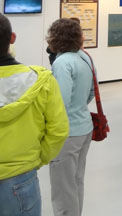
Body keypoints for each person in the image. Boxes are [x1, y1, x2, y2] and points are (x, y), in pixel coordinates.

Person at [0, 14, 69, 216]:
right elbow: (58, 130)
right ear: (12, 38)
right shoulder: (42, 80)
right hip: (20, 177)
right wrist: (36, 160)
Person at [47, 18, 95, 216]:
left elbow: (60, 102)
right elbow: (92, 92)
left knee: (63, 189)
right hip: (84, 127)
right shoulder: (84, 57)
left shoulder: (62, 62)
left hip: (67, 134)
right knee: (76, 181)